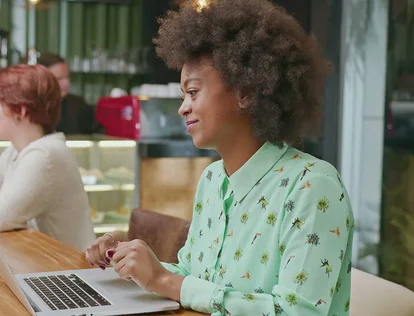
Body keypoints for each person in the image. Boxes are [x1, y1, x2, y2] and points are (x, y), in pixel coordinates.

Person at [85, 1, 354, 315]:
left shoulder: (311, 185)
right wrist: (132, 259)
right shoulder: (213, 179)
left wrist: (163, 280)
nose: (182, 107)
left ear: (246, 92)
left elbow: (298, 312)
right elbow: (195, 276)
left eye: (193, 92)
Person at [0, 64, 95, 251]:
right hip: (44, 264)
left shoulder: (45, 155)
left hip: (70, 270)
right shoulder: (19, 148)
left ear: (21, 111)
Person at [38, 53, 103, 134]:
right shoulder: (34, 108)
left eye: (67, 77)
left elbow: (98, 134)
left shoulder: (78, 105)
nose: (66, 83)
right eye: (59, 78)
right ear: (43, 81)